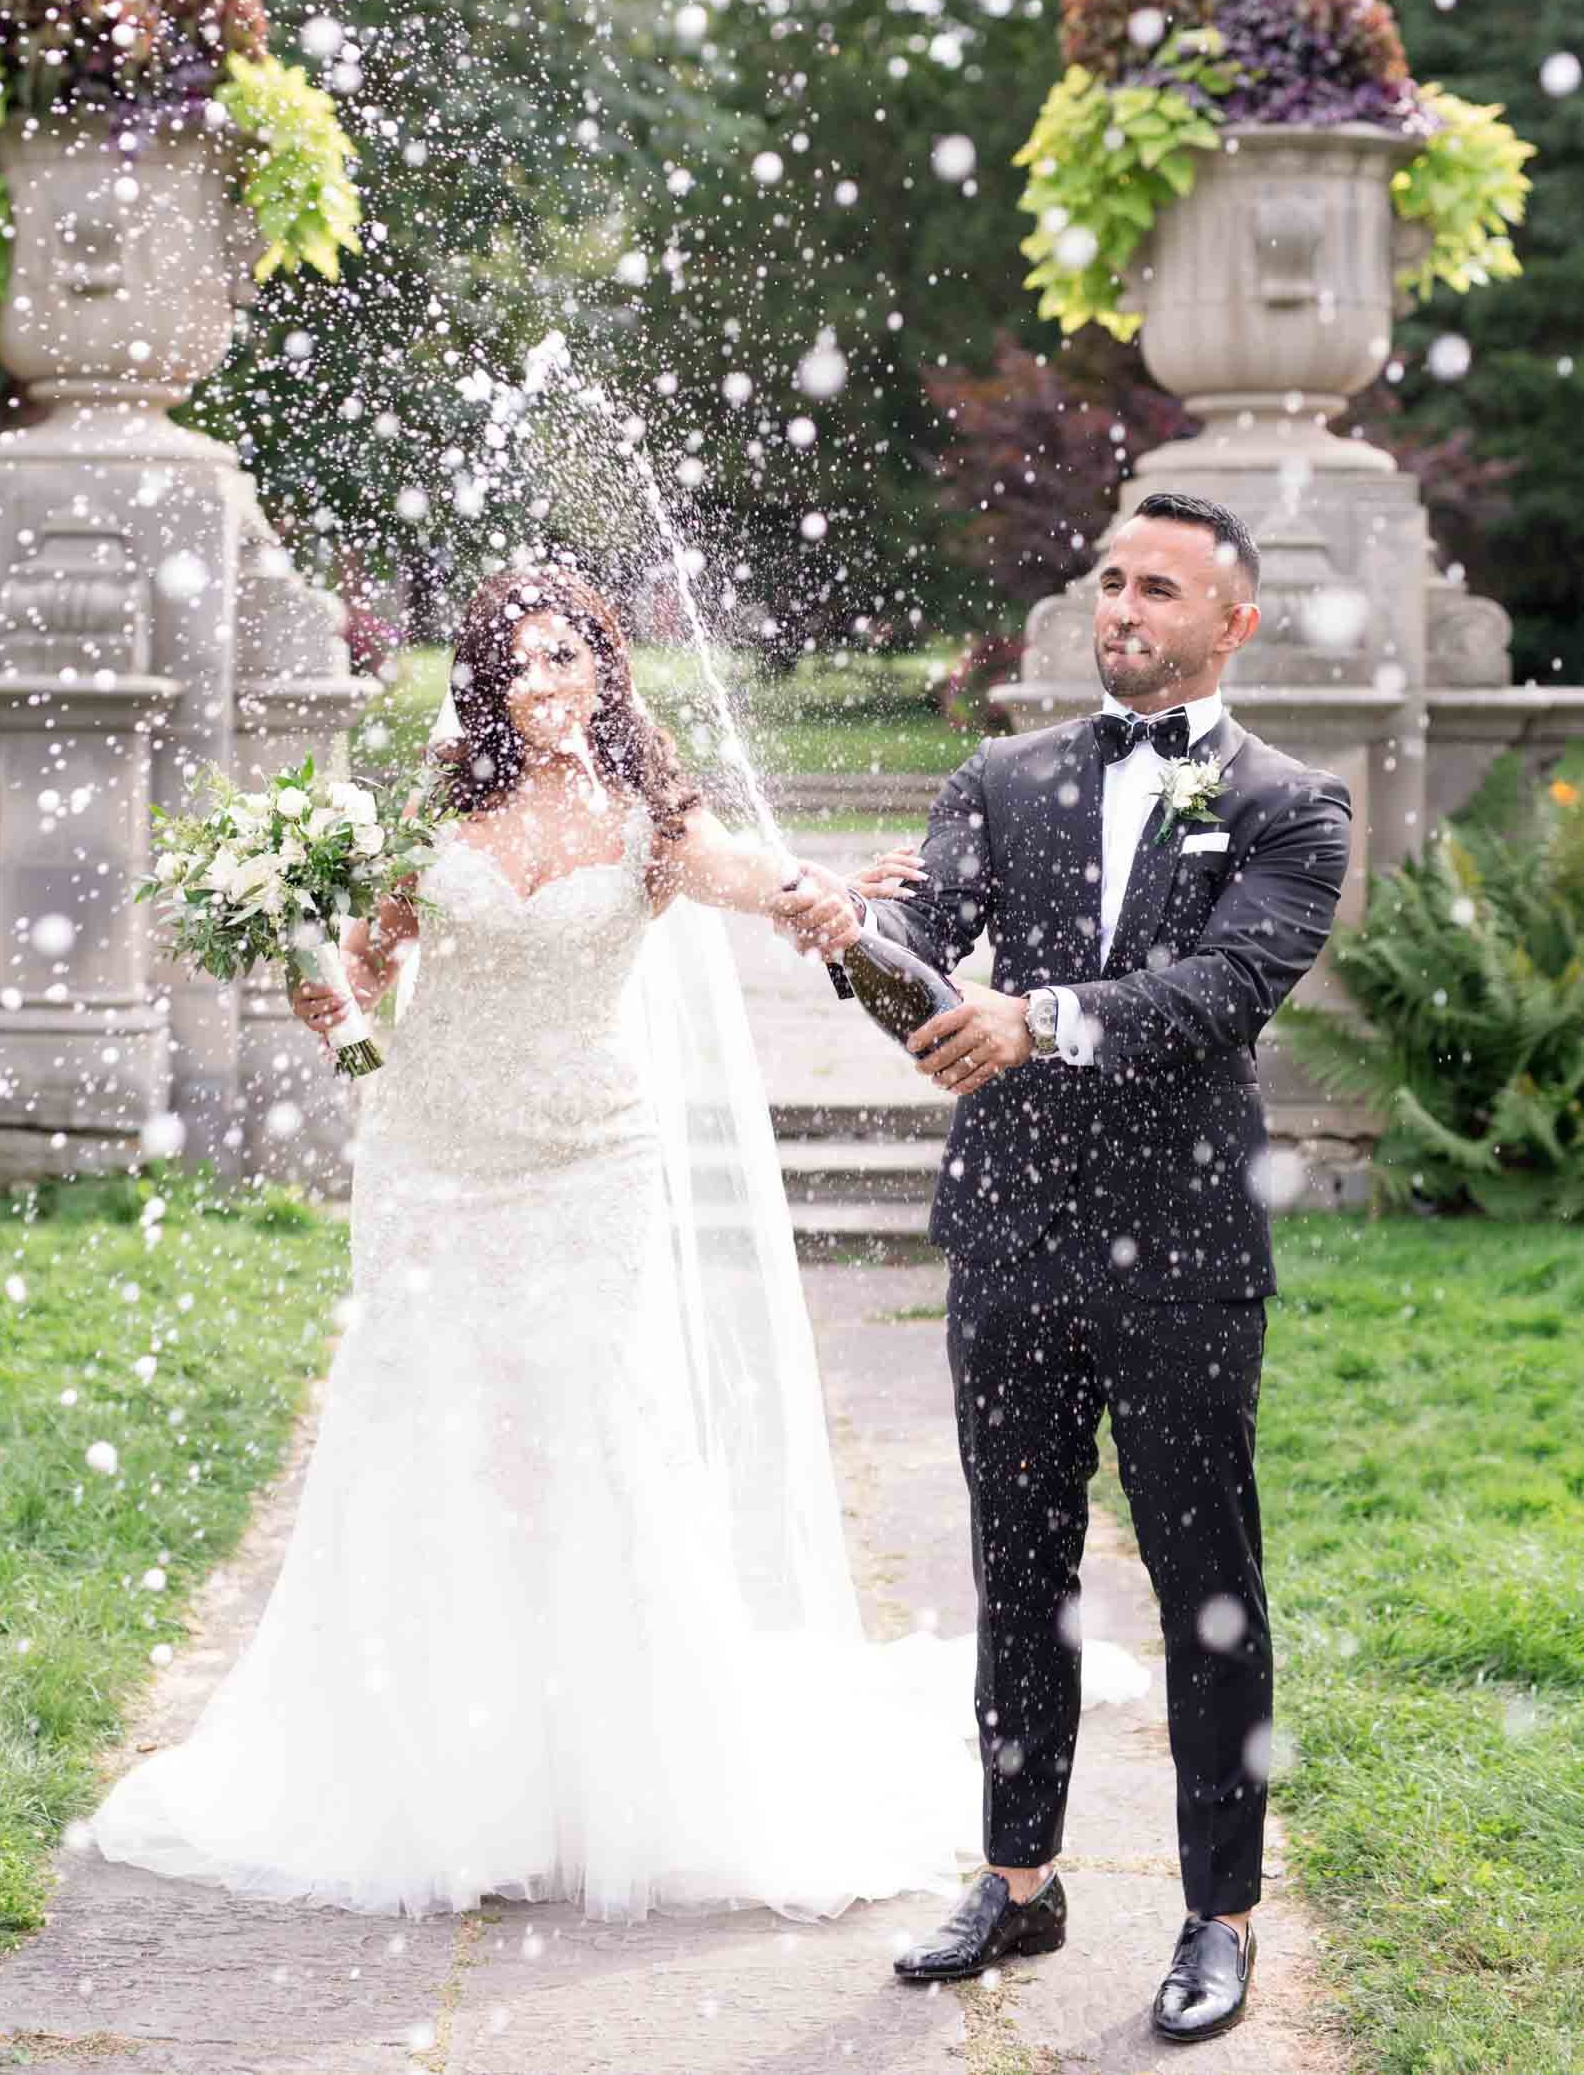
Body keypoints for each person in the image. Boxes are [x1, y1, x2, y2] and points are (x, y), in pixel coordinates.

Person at [88, 566, 983, 1923]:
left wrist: (818, 894)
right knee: (430, 1427)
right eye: (518, 666)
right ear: (487, 689)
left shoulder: (652, 820)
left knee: (582, 1425)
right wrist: (314, 982)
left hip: (584, 1163)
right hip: (431, 1158)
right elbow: (367, 976)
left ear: (603, 667)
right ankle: (451, 1779)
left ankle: (607, 1774)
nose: (545, 684)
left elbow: (752, 876)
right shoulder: (437, 806)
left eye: (565, 657)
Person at [869, 493, 1352, 2044]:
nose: (1123, 608)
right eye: (1110, 581)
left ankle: (1219, 1915)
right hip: (1009, 1237)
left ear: (1233, 622)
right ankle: (1020, 1880)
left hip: (1185, 1255)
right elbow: (925, 965)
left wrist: (1040, 1016)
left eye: (1160, 588)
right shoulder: (1000, 777)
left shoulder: (1292, 807)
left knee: (1209, 1585)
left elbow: (1217, 991)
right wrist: (858, 930)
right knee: (1018, 1563)